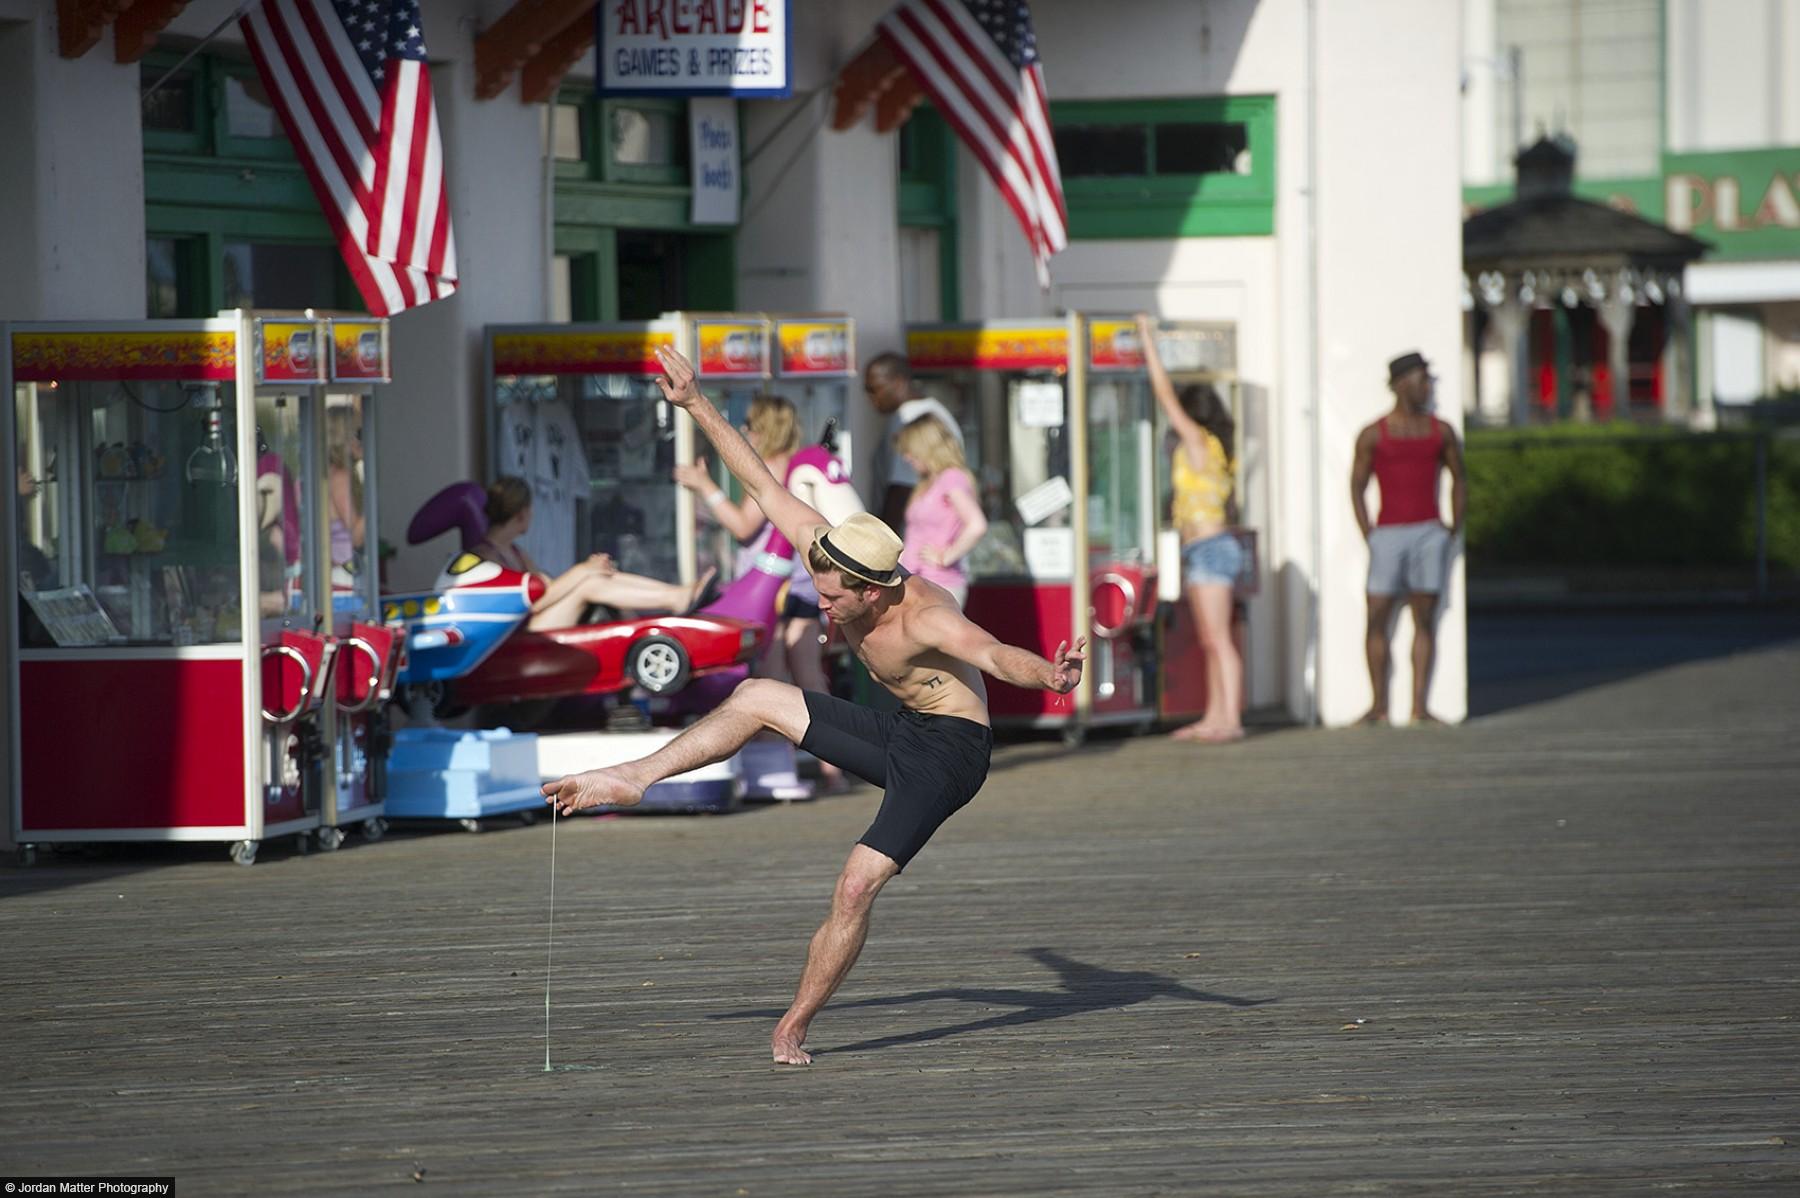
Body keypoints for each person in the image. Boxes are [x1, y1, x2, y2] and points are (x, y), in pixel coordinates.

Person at [543, 345, 1087, 1067]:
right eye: (819, 588)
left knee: (857, 881)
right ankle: (636, 777)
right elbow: (761, 482)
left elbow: (991, 653)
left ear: (875, 589)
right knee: (758, 694)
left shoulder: (926, 614)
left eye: (834, 598)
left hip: (951, 752)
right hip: (898, 725)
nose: (823, 605)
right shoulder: (830, 552)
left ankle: (793, 1025)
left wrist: (1049, 673)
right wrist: (696, 402)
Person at [673, 393, 849, 793]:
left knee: (770, 678)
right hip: (803, 587)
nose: (746, 431)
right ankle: (833, 769)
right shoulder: (802, 468)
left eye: (750, 425)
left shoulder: (771, 467)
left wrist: (705, 487)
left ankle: (775, 768)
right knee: (810, 679)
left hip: (770, 591)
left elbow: (742, 526)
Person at [1138, 315, 1245, 743]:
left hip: (1211, 548)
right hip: (1204, 548)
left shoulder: (1199, 441)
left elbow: (1164, 395)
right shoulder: (1215, 448)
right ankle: (1216, 716)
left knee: (1218, 640)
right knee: (1210, 640)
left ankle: (1230, 719)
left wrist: (1147, 337)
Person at [1350, 351, 1466, 726]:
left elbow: (1459, 478)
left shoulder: (1441, 431)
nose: (1426, 386)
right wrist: (1369, 532)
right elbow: (1356, 484)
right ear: (1401, 384)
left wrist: (1452, 528)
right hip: (1388, 535)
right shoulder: (1374, 433)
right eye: (1421, 379)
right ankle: (1378, 705)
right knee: (1376, 617)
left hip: (1428, 533)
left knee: (1425, 619)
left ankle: (1420, 707)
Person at [475, 476, 712, 632]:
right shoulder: (487, 556)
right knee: (589, 583)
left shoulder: (515, 552)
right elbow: (531, 604)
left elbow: (545, 589)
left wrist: (589, 569)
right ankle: (674, 598)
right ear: (521, 513)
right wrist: (582, 571)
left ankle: (676, 595)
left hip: (532, 624)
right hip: (518, 635)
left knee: (596, 577)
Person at [863, 351, 964, 532]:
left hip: (916, 542)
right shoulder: (935, 411)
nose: (870, 397)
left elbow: (901, 487)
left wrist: (882, 541)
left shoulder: (908, 418)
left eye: (874, 388)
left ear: (899, 383)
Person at [894, 414, 987, 609]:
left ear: (925, 449)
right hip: (916, 580)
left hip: (939, 583)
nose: (906, 457)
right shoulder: (929, 483)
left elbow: (977, 524)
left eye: (910, 451)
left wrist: (947, 556)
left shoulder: (951, 478)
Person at [325, 404, 365, 590]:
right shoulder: (341, 477)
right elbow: (356, 535)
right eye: (359, 433)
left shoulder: (329, 474)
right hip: (343, 578)